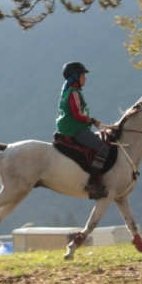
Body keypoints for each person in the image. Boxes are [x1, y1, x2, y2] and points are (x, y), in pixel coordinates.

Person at [55, 61, 109, 199]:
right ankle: (92, 183)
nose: (85, 78)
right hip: (75, 129)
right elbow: (78, 115)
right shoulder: (74, 92)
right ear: (75, 76)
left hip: (70, 127)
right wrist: (92, 121)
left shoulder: (67, 91)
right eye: (83, 75)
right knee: (103, 149)